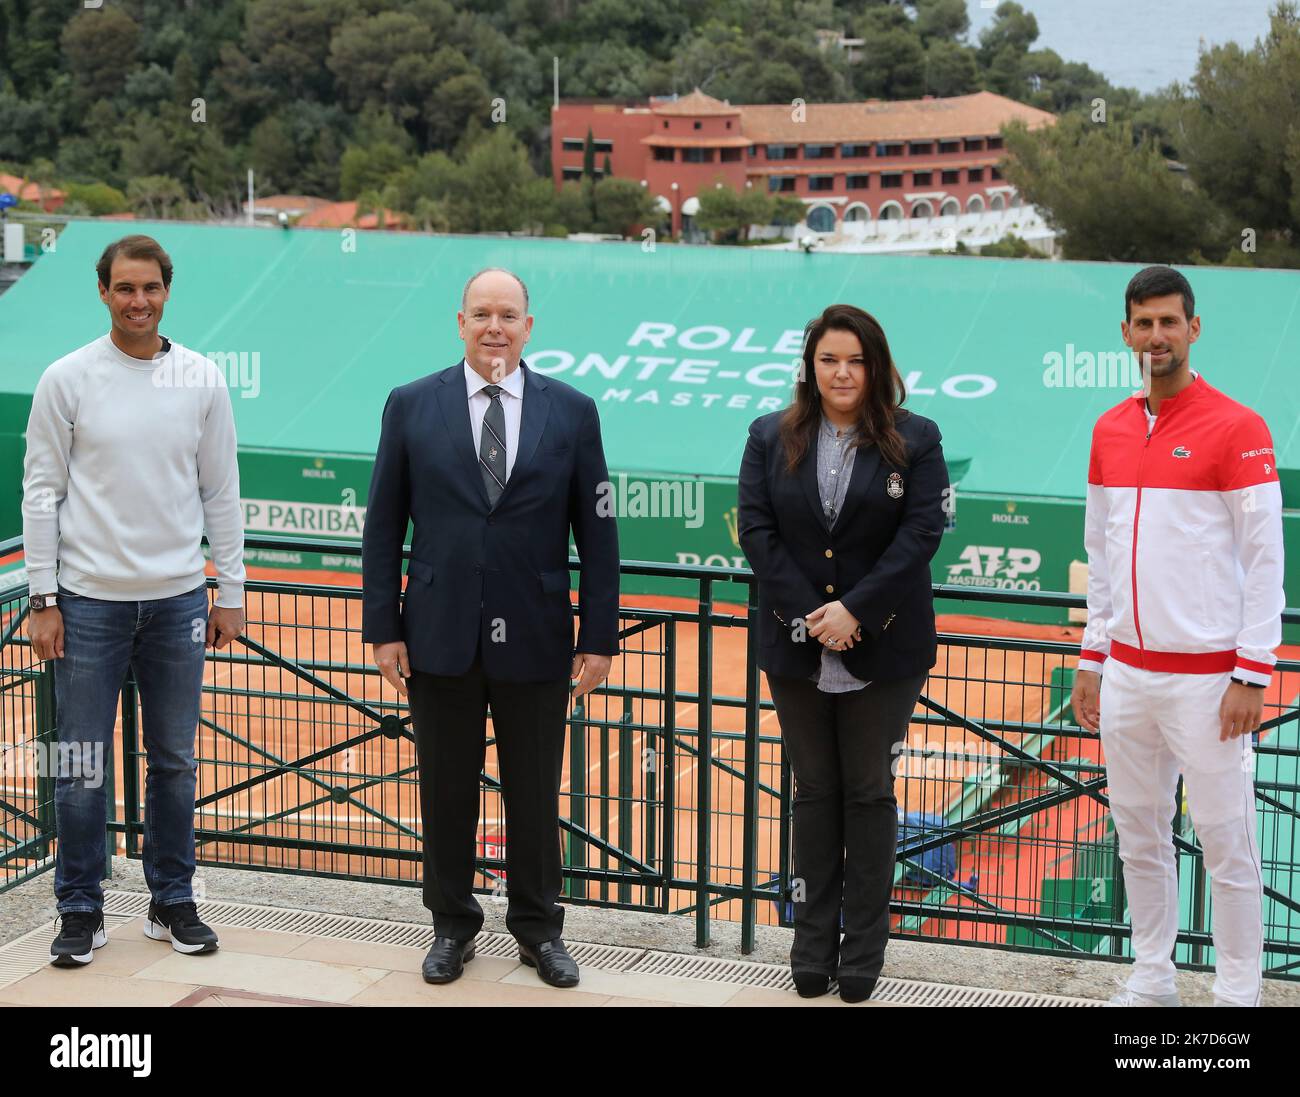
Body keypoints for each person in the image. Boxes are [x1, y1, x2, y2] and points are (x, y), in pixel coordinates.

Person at [361, 267, 620, 989]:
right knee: (445, 789)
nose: (495, 326)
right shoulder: (411, 404)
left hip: (538, 638)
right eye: (482, 313)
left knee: (534, 792)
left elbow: (597, 531)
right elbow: (383, 524)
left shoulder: (572, 411)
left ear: (529, 326)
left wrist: (599, 635)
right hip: (437, 635)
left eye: (509, 314)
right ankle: (451, 924)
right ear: (461, 322)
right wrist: (382, 626)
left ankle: (539, 930)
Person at [23, 234, 245, 966]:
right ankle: (79, 910)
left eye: (149, 287)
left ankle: (171, 901)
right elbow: (41, 492)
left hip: (180, 602)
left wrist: (230, 590)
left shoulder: (203, 379)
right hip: (86, 606)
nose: (138, 300)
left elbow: (222, 492)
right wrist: (44, 596)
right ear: (102, 291)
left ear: (167, 291)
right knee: (82, 763)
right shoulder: (67, 378)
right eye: (124, 288)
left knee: (175, 762)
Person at [1072, 265, 1284, 1008]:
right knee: (1139, 837)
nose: (1156, 335)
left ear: (1194, 328)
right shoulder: (1109, 429)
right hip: (1126, 675)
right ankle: (1152, 978)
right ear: (1126, 332)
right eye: (1143, 322)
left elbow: (1266, 561)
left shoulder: (1238, 426)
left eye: (1170, 321)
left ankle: (1237, 996)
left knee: (1229, 846)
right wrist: (1092, 656)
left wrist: (1252, 674)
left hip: (1209, 682)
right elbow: (1101, 555)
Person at [738, 303, 947, 1002]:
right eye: (829, 359)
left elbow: (920, 534)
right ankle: (810, 944)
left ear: (877, 367)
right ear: (810, 366)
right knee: (814, 791)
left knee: (868, 792)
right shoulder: (770, 436)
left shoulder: (917, 439)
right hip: (796, 648)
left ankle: (862, 953)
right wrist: (812, 615)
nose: (842, 372)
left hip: (885, 648)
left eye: (856, 360)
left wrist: (855, 610)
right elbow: (757, 531)